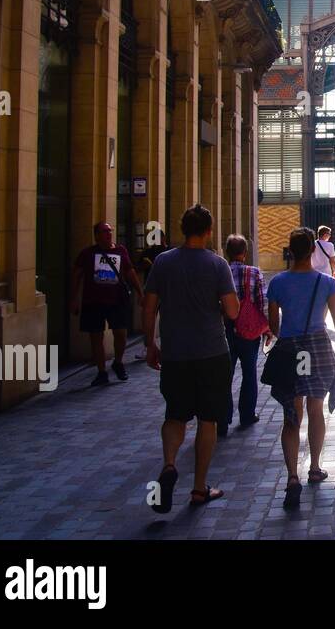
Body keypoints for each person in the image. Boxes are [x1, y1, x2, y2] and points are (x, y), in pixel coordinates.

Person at [143, 205, 239, 511]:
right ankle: (199, 488)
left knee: (174, 415)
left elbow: (148, 306)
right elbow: (233, 310)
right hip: (212, 352)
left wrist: (150, 343)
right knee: (207, 420)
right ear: (209, 230)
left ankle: (170, 464)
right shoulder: (217, 264)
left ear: (182, 228)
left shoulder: (163, 262)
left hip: (175, 353)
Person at [266, 227, 335, 509]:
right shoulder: (327, 283)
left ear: (290, 251)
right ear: (312, 250)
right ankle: (315, 467)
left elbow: (272, 326)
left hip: (289, 349)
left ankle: (292, 476)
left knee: (291, 414)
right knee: (315, 409)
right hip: (318, 348)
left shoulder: (277, 283)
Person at [71, 221, 143, 386]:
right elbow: (76, 275)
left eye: (110, 231)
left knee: (121, 333)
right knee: (96, 337)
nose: (108, 234)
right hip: (93, 301)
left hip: (117, 300)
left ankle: (118, 362)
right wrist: (74, 298)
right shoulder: (87, 253)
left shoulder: (120, 251)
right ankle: (102, 371)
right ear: (96, 235)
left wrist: (140, 293)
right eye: (104, 231)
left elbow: (130, 272)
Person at [220, 235, 265, 436]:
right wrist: (268, 329)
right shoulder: (253, 273)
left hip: (223, 330)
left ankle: (222, 419)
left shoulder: (220, 271)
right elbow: (261, 303)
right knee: (249, 373)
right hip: (248, 330)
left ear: (227, 252)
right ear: (245, 253)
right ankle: (247, 414)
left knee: (223, 376)